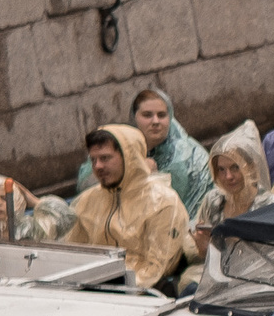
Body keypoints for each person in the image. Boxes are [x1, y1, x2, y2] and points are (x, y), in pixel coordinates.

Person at [66, 124, 197, 292]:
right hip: (94, 287)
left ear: (130, 158)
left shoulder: (162, 202)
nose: (98, 166)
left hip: (142, 292)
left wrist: (112, 289)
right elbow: (74, 254)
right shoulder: (87, 201)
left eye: (105, 158)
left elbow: (157, 268)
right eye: (94, 160)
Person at [74, 87, 212, 219]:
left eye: (162, 115)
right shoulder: (118, 146)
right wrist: (134, 171)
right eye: (147, 115)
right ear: (134, 118)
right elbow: (87, 186)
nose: (155, 121)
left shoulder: (186, 154)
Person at [191, 122, 268, 255]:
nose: (228, 176)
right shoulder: (213, 200)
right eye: (221, 169)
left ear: (250, 167)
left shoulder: (270, 205)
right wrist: (202, 248)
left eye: (235, 167)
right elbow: (204, 253)